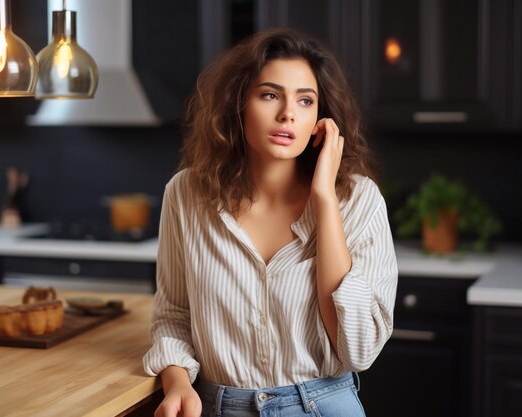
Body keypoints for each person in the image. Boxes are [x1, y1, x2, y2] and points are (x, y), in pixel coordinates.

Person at [143, 27, 398, 417]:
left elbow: (358, 349)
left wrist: (325, 200)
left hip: (324, 406)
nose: (288, 114)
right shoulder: (186, 195)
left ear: (320, 117)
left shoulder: (358, 201)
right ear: (238, 103)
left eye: (305, 100)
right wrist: (177, 382)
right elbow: (174, 315)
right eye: (270, 95)